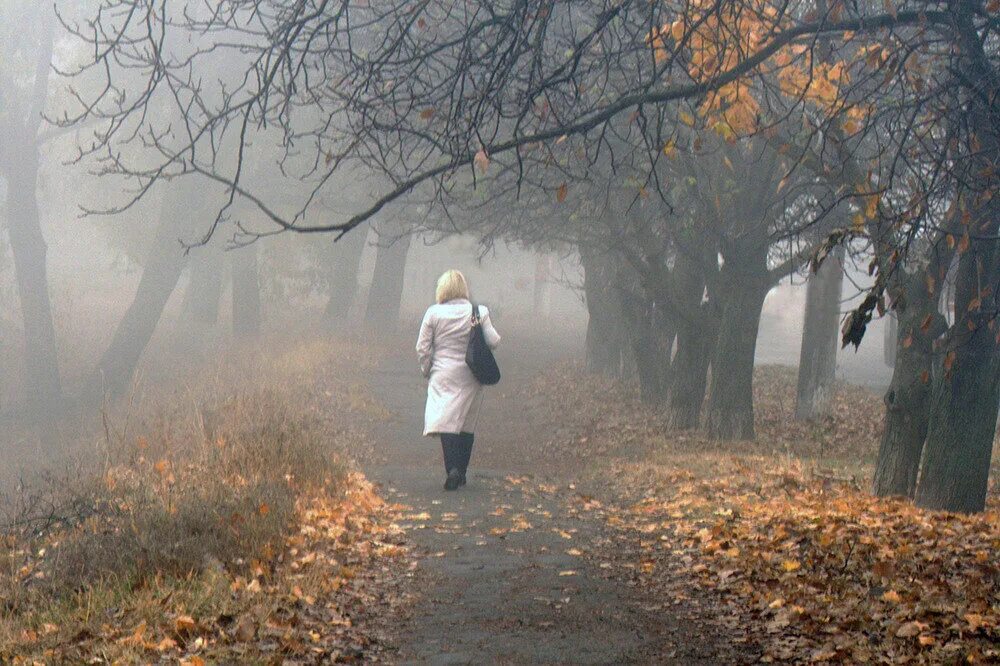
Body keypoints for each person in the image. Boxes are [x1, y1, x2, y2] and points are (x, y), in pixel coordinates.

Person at [416, 270, 501, 490]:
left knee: (446, 421)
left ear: (441, 289)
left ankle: (451, 469)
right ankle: (461, 472)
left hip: (442, 375)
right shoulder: (478, 312)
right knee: (466, 423)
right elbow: (494, 340)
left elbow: (422, 347)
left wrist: (427, 369)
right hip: (471, 375)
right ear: (464, 288)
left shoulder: (433, 313)